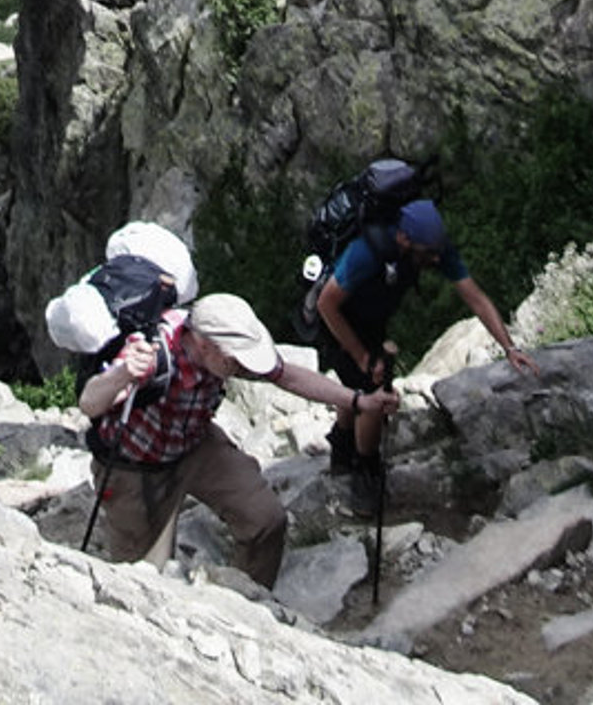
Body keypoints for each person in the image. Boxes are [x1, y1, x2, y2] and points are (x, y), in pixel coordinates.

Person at [80, 290, 396, 585]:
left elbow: (288, 376)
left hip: (194, 443)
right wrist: (123, 374)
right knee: (144, 576)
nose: (240, 365)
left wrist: (360, 401)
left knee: (265, 519)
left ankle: (247, 600)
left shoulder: (223, 353)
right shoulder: (151, 351)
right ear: (203, 344)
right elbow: (90, 403)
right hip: (135, 466)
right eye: (234, 358)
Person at [314, 197, 534, 503]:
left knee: (357, 384)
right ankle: (365, 470)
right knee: (372, 393)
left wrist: (510, 347)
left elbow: (475, 297)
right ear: (403, 239)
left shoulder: (431, 247)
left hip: (369, 318)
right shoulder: (366, 252)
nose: (435, 259)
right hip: (336, 321)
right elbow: (326, 303)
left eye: (436, 251)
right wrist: (361, 356)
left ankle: (342, 448)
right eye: (427, 253)